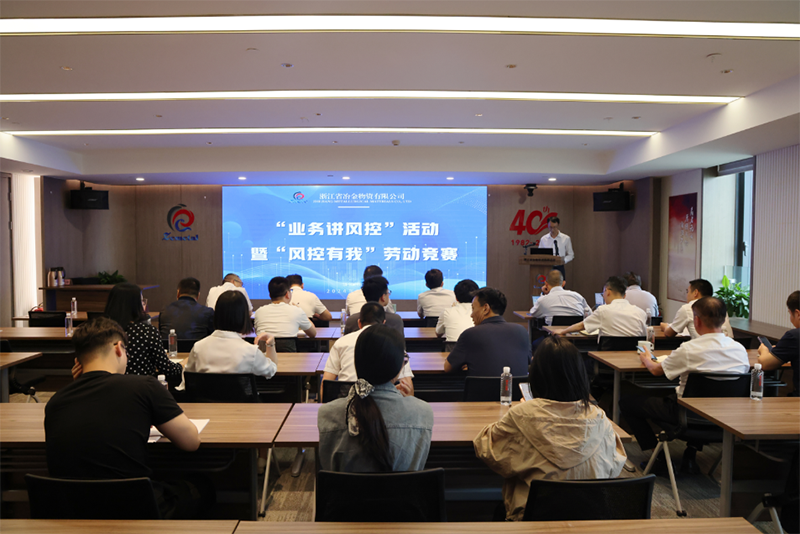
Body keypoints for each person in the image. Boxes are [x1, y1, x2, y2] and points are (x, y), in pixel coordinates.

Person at [46, 317, 211, 519]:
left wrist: (79, 385)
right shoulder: (144, 387)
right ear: (118, 348)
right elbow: (191, 442)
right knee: (201, 486)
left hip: (71, 510)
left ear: (78, 360)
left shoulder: (56, 401)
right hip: (133, 508)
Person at [474, 336, 627, 521]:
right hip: (591, 521)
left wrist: (524, 411)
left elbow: (485, 449)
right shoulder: (599, 418)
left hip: (532, 522)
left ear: (536, 376)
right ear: (580, 375)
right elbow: (614, 467)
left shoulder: (521, 415)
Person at [619, 297, 749, 473]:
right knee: (705, 400)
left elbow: (656, 371)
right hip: (725, 420)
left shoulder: (689, 349)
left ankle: (658, 457)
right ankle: (690, 454)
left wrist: (646, 358)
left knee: (627, 402)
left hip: (686, 416)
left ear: (696, 320)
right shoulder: (740, 350)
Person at [318, 325, 433, 472]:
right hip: (406, 488)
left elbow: (329, 468)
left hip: (347, 488)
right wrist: (411, 401)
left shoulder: (327, 414)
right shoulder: (423, 412)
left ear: (357, 362)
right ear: (399, 367)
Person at [184, 290, 277, 382]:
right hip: (239, 393)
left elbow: (187, 380)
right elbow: (271, 371)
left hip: (205, 392)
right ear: (243, 317)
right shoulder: (251, 352)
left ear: (217, 315)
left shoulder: (198, 348)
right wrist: (271, 343)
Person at [323, 302, 414, 396]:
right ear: (383, 323)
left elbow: (326, 383)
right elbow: (408, 388)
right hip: (385, 400)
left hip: (347, 400)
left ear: (359, 323)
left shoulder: (341, 342)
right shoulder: (394, 343)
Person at [444, 287, 531, 376]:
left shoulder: (470, 334)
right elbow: (527, 361)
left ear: (485, 309)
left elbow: (448, 368)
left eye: (473, 309)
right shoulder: (522, 332)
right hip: (515, 385)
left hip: (480, 386)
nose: (471, 315)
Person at [104, 282, 183, 380]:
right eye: (142, 301)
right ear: (135, 305)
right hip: (143, 386)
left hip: (110, 387)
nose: (144, 304)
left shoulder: (102, 332)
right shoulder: (147, 332)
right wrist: (182, 365)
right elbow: (167, 369)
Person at [560, 276, 647, 337]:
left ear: (608, 292)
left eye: (603, 293)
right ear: (624, 296)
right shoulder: (640, 313)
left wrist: (563, 331)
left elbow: (581, 326)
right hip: (632, 356)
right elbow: (644, 335)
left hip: (606, 357)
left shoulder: (603, 310)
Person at [254, 276, 316, 352]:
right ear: (287, 294)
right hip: (290, 356)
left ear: (270, 295)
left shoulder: (259, 311)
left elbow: (258, 333)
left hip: (264, 357)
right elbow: (313, 333)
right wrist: (303, 313)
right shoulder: (297, 310)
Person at [757, 290, 800, 395]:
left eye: (790, 313)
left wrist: (764, 350)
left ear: (797, 314)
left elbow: (765, 364)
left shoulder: (794, 336)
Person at [661, 279, 733, 339]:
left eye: (688, 292)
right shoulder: (719, 307)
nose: (687, 295)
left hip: (702, 348)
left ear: (695, 292)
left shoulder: (688, 308)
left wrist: (665, 326)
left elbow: (669, 333)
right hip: (727, 347)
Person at [343, 276, 404, 344]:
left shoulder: (351, 320)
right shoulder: (396, 320)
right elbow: (401, 347)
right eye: (388, 293)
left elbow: (345, 343)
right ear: (383, 297)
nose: (389, 295)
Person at [435, 279, 478, 352]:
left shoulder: (447, 312)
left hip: (452, 354)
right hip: (477, 353)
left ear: (456, 298)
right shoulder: (482, 313)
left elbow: (438, 333)